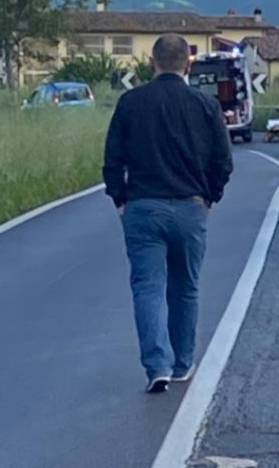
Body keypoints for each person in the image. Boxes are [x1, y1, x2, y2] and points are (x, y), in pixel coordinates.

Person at [103, 34, 233, 394]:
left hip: (143, 207)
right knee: (185, 287)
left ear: (152, 62)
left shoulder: (131, 103)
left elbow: (112, 158)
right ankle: (182, 362)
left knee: (147, 287)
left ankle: (156, 365)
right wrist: (210, 197)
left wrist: (120, 199)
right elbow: (223, 161)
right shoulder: (205, 105)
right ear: (188, 64)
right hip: (191, 207)